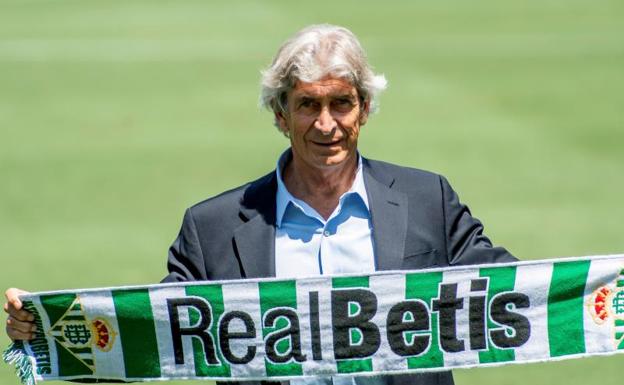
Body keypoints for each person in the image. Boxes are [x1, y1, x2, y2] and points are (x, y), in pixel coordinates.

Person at [5, 24, 515, 385]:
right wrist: (47, 330)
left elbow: (513, 294)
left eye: (341, 103)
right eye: (307, 105)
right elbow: (153, 335)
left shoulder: (428, 200)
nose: (326, 124)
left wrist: (590, 291)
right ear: (280, 113)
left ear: (364, 109)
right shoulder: (212, 227)